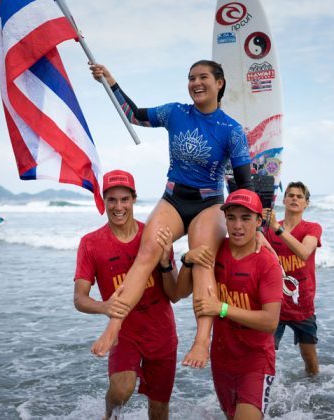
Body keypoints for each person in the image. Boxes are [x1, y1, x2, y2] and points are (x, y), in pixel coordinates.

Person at [89, 60, 257, 368]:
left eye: (203, 77)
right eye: (191, 78)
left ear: (219, 83)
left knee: (203, 261)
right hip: (173, 197)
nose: (195, 83)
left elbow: (245, 186)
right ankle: (114, 325)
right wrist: (110, 81)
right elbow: (133, 115)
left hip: (208, 204)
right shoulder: (176, 113)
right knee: (147, 252)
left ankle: (201, 341)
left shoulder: (231, 130)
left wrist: (249, 228)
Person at [74, 170, 182, 420]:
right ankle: (108, 414)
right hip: (125, 335)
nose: (118, 206)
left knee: (158, 410)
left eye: (124, 199)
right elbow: (79, 298)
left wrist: (165, 262)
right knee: (121, 391)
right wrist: (104, 307)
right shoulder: (91, 244)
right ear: (103, 202)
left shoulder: (154, 235)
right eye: (112, 200)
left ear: (134, 199)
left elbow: (174, 295)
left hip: (162, 334)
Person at [193, 189, 283, 419]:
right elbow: (179, 291)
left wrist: (221, 308)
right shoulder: (217, 250)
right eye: (231, 218)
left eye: (245, 218)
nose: (237, 225)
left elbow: (270, 321)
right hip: (222, 359)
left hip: (255, 361)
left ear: (258, 221)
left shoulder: (268, 263)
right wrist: (186, 259)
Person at [263, 181, 322, 376]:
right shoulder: (270, 228)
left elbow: (304, 252)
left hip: (302, 303)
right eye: (291, 195)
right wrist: (258, 223)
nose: (295, 199)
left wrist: (277, 230)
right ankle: (261, 395)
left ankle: (314, 394)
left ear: (306, 203)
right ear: (284, 199)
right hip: (274, 305)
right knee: (265, 354)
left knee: (309, 357)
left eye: (299, 196)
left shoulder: (312, 228)